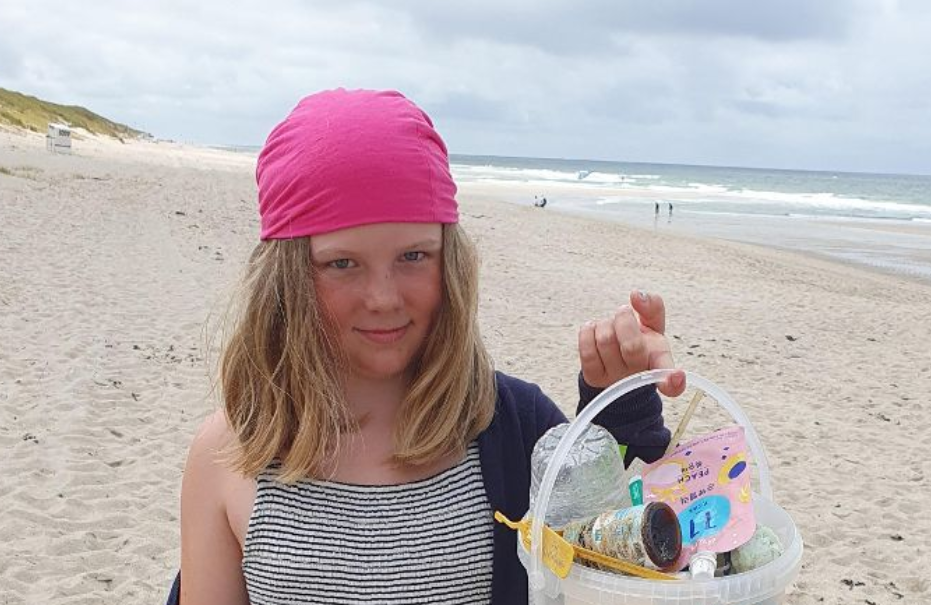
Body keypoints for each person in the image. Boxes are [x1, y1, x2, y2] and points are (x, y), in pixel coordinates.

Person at [169, 88, 684, 605]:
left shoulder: (514, 426)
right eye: (341, 263)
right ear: (288, 278)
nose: (383, 297)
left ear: (450, 262)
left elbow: (623, 554)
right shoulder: (230, 452)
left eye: (414, 256)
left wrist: (623, 407)